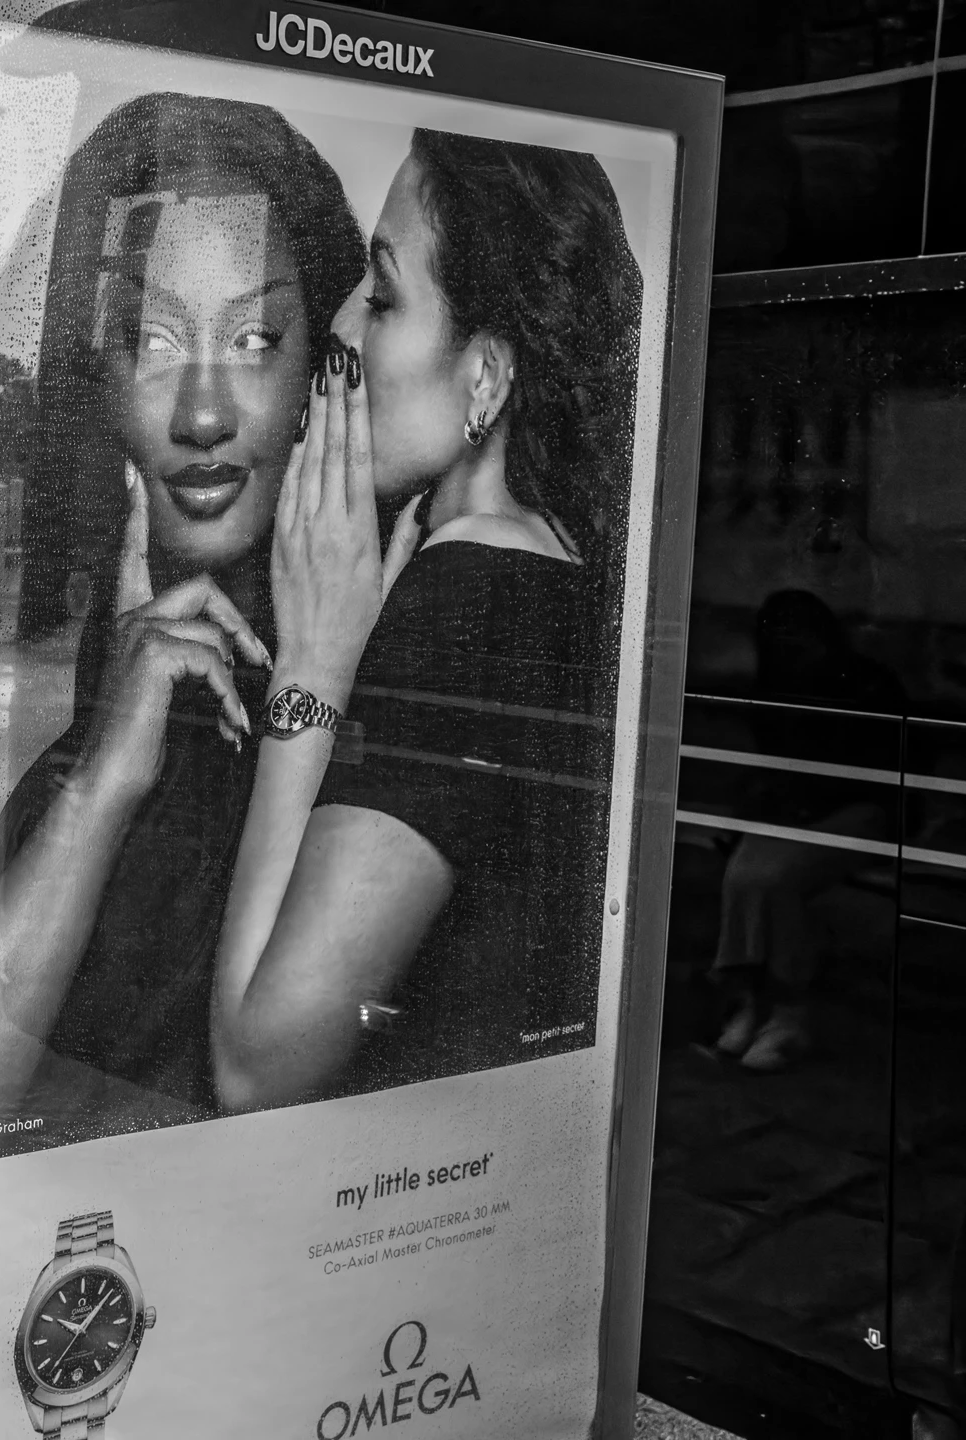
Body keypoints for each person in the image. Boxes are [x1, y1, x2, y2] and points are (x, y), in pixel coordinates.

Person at [0, 92, 367, 1153]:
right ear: (90, 370)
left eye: (254, 337)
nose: (201, 412)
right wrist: (99, 787)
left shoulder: (364, 677)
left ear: (321, 376)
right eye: (149, 337)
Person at [210, 130, 642, 1110]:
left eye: (386, 294)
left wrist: (312, 669)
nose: (341, 329)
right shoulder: (550, 576)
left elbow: (257, 1064)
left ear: (485, 380)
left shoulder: (468, 605)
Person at [710, 590, 903, 1071]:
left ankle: (789, 1013)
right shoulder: (776, 683)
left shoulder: (868, 683)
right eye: (776, 634)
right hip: (798, 812)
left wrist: (805, 797)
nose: (786, 644)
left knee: (775, 881)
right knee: (742, 876)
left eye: (797, 632)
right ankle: (754, 1003)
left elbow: (882, 770)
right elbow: (779, 761)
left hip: (861, 810)